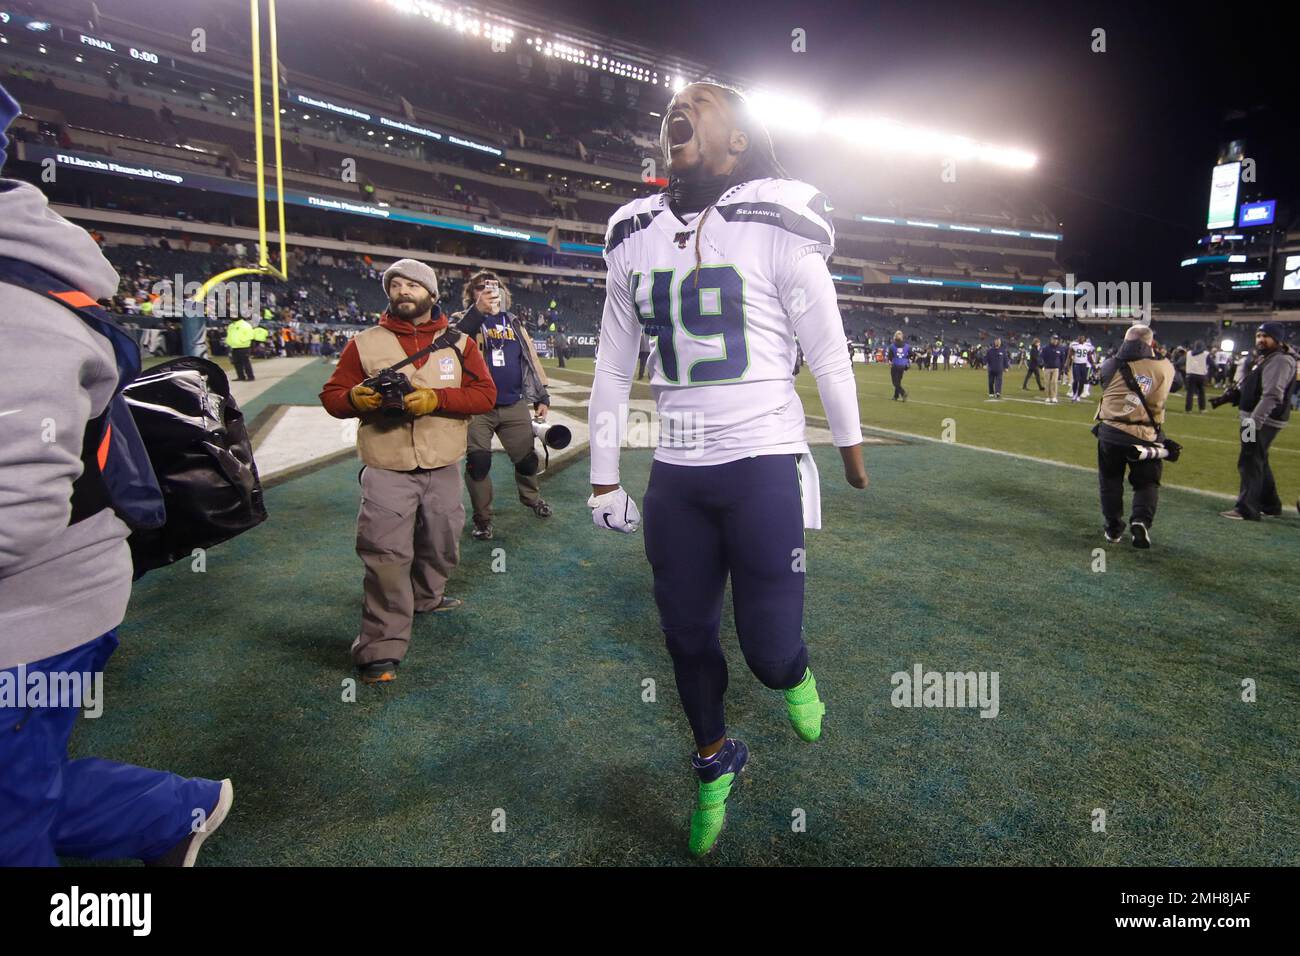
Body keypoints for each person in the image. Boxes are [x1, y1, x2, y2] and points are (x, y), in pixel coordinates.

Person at [586, 82, 867, 857]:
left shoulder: (776, 218)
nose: (683, 107)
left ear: (738, 140)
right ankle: (715, 762)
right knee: (685, 639)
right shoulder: (633, 231)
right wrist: (603, 475)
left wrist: (848, 441)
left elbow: (827, 346)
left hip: (763, 466)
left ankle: (795, 677)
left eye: (702, 102)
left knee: (771, 656)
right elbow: (614, 368)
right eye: (676, 102)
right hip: (676, 475)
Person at [0, 82, 233, 866]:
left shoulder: (12, 299)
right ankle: (169, 813)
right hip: (45, 596)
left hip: (35, 617)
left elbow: (17, 502)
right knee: (16, 791)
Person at [319, 259, 496, 684]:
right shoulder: (363, 342)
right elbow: (332, 396)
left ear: (432, 295)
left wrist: (436, 399)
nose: (402, 290)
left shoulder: (459, 343)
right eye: (395, 284)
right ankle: (380, 647)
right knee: (385, 554)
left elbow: (484, 394)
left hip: (443, 463)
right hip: (387, 464)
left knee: (442, 543)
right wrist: (356, 401)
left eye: (412, 285)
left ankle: (427, 597)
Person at [453, 269, 554, 540]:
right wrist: (478, 313)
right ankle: (482, 519)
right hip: (476, 406)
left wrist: (541, 395)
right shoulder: (462, 320)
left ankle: (532, 498)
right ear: (471, 294)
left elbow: (530, 357)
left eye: (494, 286)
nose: (488, 291)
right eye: (480, 287)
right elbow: (452, 345)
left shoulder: (512, 321)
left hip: (513, 403)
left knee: (527, 460)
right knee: (478, 462)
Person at [1092, 324, 1174, 548]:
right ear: (1151, 344)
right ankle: (1140, 520)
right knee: (1147, 482)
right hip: (1145, 433)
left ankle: (1113, 528)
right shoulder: (1165, 367)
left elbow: (1105, 382)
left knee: (1110, 482)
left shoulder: (1110, 364)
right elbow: (1175, 386)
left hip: (1110, 432)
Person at [1220, 323, 1297, 521]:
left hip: (1260, 420)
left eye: (1266, 336)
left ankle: (1247, 509)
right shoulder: (1270, 357)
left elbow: (1272, 395)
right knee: (1259, 458)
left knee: (1249, 459)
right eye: (1259, 335)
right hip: (1256, 419)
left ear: (1278, 339)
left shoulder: (1279, 360)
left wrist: (1254, 422)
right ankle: (1270, 504)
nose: (1261, 339)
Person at [226, 313, 255, 380]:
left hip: (243, 347)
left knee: (246, 362)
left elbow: (250, 335)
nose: (232, 317)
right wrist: (228, 341)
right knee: (236, 363)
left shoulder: (245, 324)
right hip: (234, 347)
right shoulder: (231, 325)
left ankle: (250, 376)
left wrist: (242, 340)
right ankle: (241, 376)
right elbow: (229, 335)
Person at [1184, 340, 1210, 413]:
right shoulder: (1206, 354)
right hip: (1201, 375)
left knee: (1190, 393)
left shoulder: (1189, 353)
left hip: (1190, 375)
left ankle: (1188, 409)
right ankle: (1202, 409)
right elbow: (1211, 363)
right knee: (1201, 392)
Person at [1040, 333, 1066, 404]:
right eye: (1054, 339)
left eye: (1056, 339)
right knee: (1047, 383)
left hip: (1056, 368)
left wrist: (1062, 367)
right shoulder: (1046, 348)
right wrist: (1042, 365)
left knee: (1054, 382)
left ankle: (1054, 397)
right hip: (1047, 368)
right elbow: (1042, 357)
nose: (1055, 341)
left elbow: (1062, 359)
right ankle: (1048, 397)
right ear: (1051, 339)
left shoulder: (1060, 348)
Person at [1068, 332, 1094, 402]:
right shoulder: (1074, 344)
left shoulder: (1088, 345)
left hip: (1083, 365)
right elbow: (1069, 355)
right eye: (1080, 337)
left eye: (1082, 337)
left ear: (1085, 338)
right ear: (1078, 337)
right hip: (1076, 364)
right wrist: (1067, 364)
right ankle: (1074, 394)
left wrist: (1093, 364)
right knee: (1076, 380)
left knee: (1082, 381)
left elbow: (1089, 356)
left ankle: (1078, 395)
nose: (1081, 338)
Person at [887, 330, 910, 400]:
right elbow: (910, 354)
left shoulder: (892, 346)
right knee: (898, 381)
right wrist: (906, 361)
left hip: (895, 365)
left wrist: (890, 361)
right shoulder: (906, 346)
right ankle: (895, 396)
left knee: (895, 382)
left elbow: (890, 357)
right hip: (903, 365)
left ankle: (903, 393)